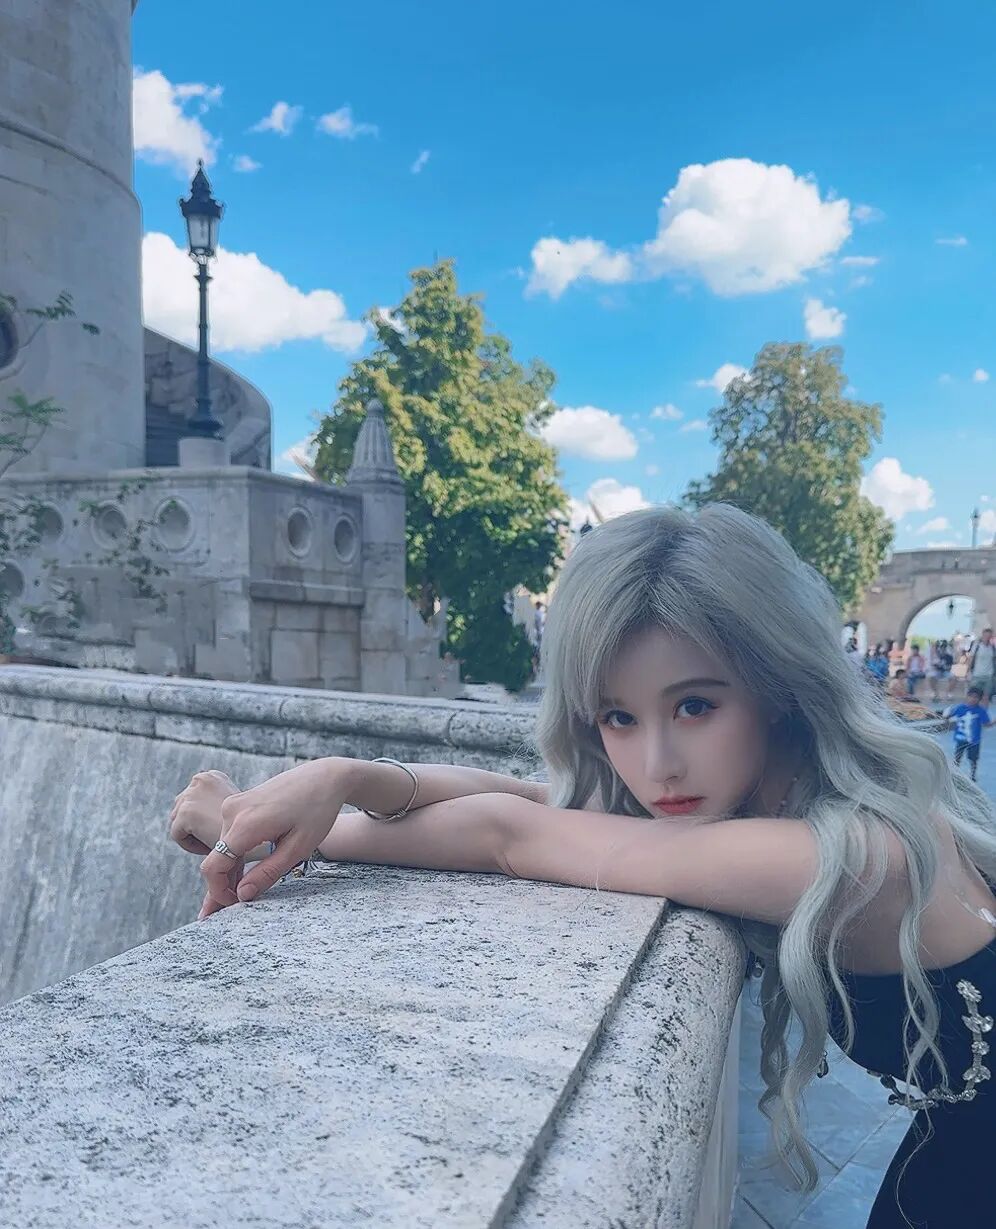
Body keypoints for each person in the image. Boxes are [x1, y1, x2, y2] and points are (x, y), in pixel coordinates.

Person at [170, 503, 996, 1229]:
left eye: (695, 705)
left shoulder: (850, 854)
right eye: (617, 716)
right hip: (949, 1160)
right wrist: (344, 777)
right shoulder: (801, 800)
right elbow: (531, 797)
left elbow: (510, 835)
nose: (657, 763)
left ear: (776, 685)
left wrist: (267, 828)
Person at [943, 686, 994, 784]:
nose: (973, 699)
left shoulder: (981, 711)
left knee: (973, 759)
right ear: (967, 696)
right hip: (961, 739)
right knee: (957, 757)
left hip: (974, 740)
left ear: (979, 699)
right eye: (971, 696)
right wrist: (946, 718)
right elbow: (948, 716)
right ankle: (955, 773)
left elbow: (986, 724)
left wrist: (993, 722)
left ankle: (973, 775)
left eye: (976, 697)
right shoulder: (960, 708)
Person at [968, 628, 996, 705]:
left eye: (989, 636)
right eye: (986, 636)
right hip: (977, 675)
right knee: (973, 696)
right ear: (983, 635)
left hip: (989, 676)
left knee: (986, 697)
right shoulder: (976, 646)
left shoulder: (992, 648)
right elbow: (971, 659)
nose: (987, 638)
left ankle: (984, 712)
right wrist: (968, 672)